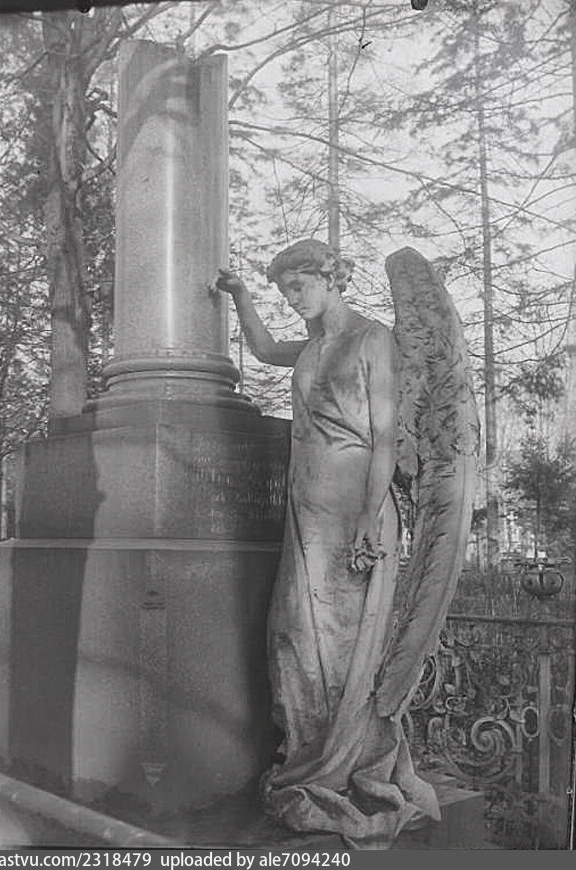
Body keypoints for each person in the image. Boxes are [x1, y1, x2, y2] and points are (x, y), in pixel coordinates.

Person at [215, 239, 439, 849]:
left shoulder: (372, 340)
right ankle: (310, 755)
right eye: (285, 290)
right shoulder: (313, 346)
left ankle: (345, 761)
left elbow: (386, 437)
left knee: (343, 646)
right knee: (294, 634)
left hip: (352, 507)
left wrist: (370, 514)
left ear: (332, 277)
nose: (293, 299)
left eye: (300, 286)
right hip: (306, 509)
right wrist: (241, 296)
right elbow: (264, 351)